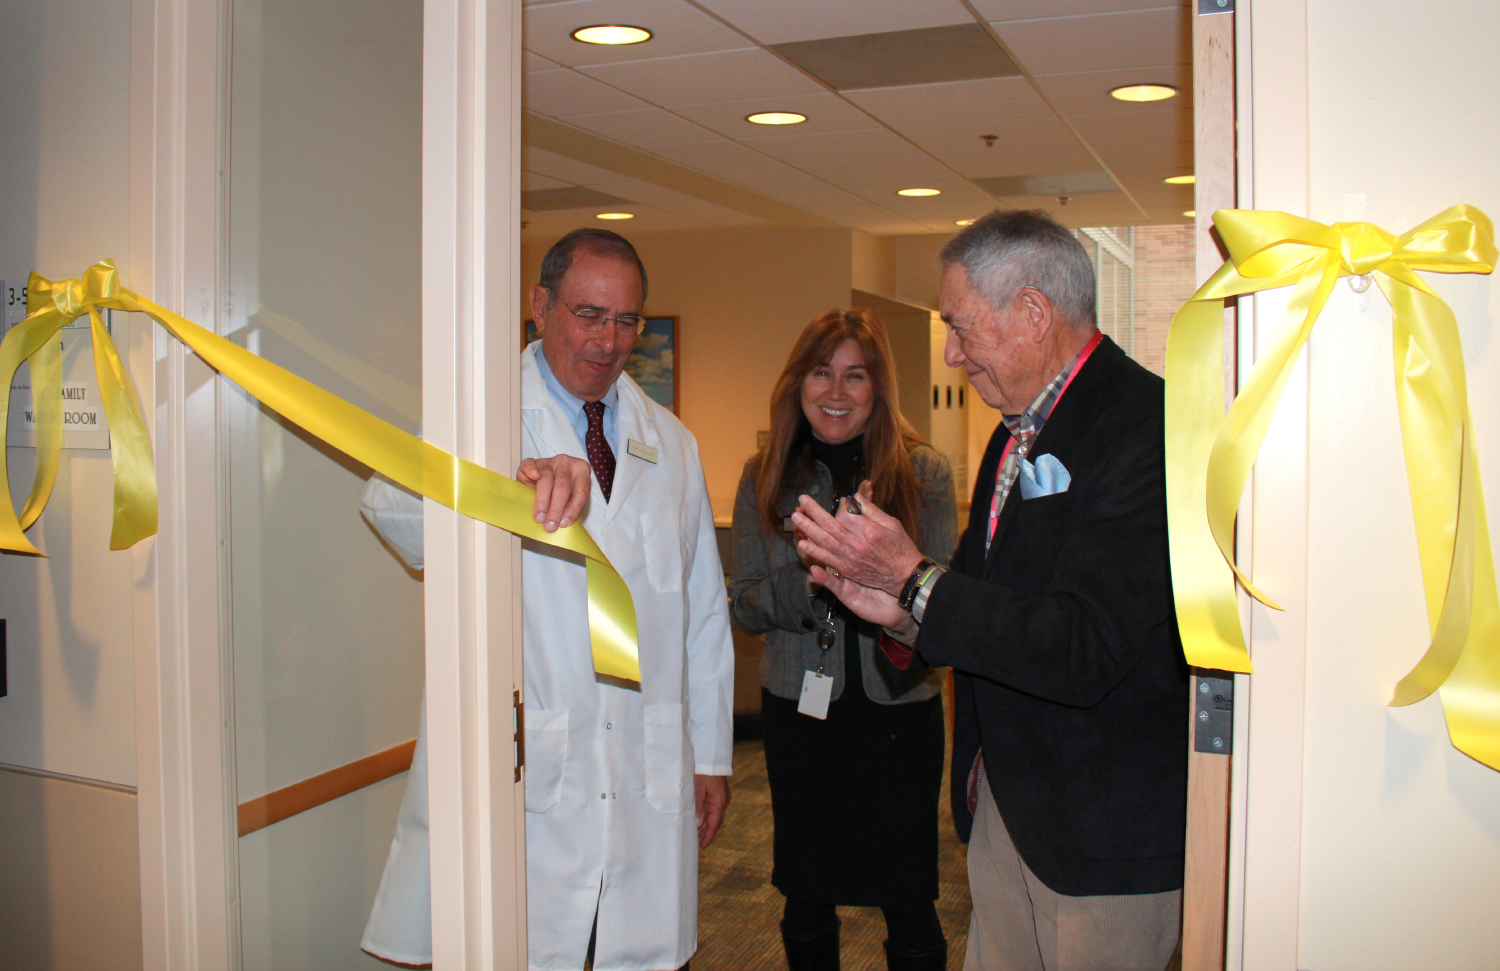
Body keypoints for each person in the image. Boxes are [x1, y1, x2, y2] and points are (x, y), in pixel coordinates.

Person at [790, 211, 1189, 971]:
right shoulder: (1014, 434)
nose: (949, 350)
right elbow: (982, 603)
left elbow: (1084, 645)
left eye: (960, 325)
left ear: (1033, 314)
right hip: (1009, 804)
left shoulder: (1147, 425)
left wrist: (914, 578)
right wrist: (898, 609)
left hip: (1100, 835)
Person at [359, 227, 736, 971]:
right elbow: (389, 508)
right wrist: (502, 487)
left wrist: (712, 753)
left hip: (647, 763)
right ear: (539, 305)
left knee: (643, 953)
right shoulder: (479, 413)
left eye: (628, 320)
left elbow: (701, 613)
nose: (609, 340)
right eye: (589, 314)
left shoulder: (673, 443)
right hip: (531, 770)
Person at [729, 309, 957, 971]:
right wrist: (815, 580)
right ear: (797, 381)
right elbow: (744, 601)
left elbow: (938, 607)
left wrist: (878, 572)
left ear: (879, 386)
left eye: (855, 375)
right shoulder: (764, 474)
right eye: (821, 371)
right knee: (807, 892)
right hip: (803, 714)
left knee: (909, 896)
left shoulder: (924, 473)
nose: (836, 390)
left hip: (898, 715)